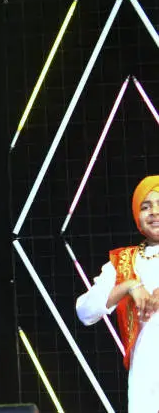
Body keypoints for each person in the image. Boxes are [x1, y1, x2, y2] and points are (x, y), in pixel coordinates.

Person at [76, 175, 159, 413]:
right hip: (147, 378)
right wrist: (128, 286)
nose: (154, 212)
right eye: (146, 206)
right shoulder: (123, 262)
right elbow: (84, 312)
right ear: (137, 215)